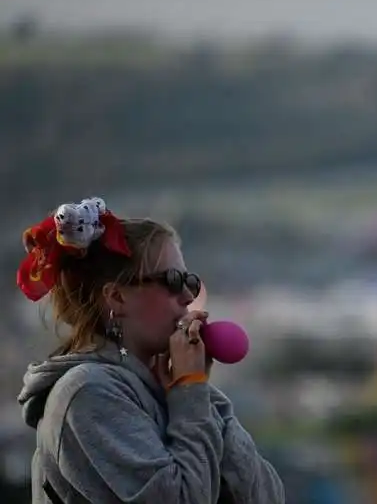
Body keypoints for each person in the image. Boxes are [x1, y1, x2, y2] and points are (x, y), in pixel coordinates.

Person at [16, 198, 285, 503]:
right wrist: (190, 392)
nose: (186, 297)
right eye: (171, 280)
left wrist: (199, 394)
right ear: (116, 297)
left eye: (189, 281)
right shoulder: (87, 394)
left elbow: (265, 496)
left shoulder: (169, 391)